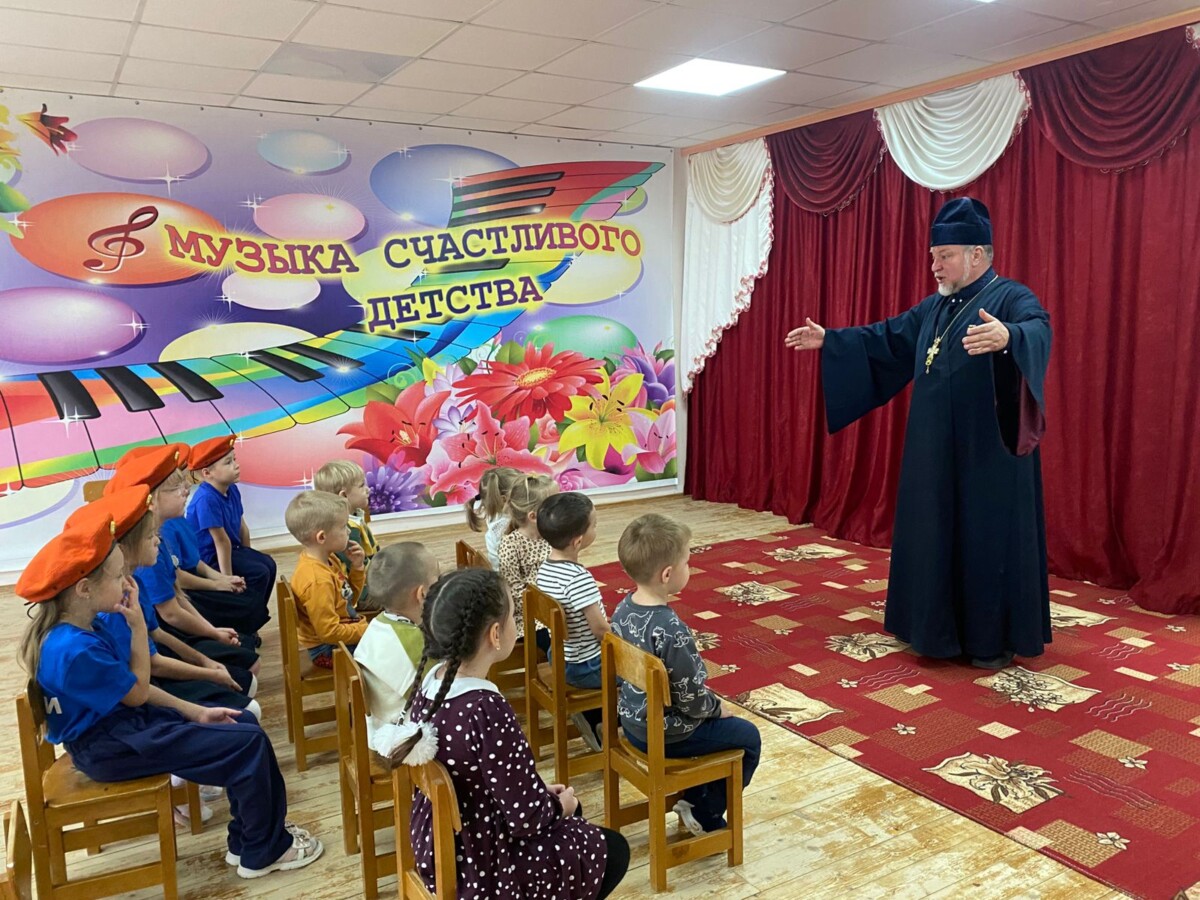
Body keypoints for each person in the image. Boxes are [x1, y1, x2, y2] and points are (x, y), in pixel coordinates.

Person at [785, 197, 1052, 669]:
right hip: (933, 452)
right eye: (934, 256)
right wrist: (832, 340)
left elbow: (1039, 327)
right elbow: (888, 338)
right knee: (935, 531)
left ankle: (988, 640)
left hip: (987, 455)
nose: (935, 266)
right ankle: (932, 631)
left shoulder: (1010, 296)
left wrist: (1010, 337)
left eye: (943, 256)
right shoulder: (936, 306)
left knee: (984, 540)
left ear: (976, 254)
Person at [17, 508, 323, 879]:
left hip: (123, 730)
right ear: (84, 589)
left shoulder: (84, 629)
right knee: (247, 744)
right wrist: (136, 627)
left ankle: (247, 839)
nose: (127, 582)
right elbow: (137, 692)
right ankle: (263, 851)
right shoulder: (74, 649)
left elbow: (135, 692)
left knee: (244, 726)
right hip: (110, 746)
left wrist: (196, 712)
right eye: (118, 577)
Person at [386, 568, 629, 899]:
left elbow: (482, 779)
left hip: (439, 847)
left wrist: (541, 793)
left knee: (577, 825)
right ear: (496, 634)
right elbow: (527, 820)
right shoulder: (485, 709)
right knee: (612, 849)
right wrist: (561, 806)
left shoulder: (431, 684)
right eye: (514, 615)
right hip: (485, 865)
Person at [610, 514, 761, 837]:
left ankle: (694, 796)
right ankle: (705, 812)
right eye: (687, 563)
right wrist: (717, 708)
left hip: (631, 722)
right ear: (667, 574)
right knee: (748, 737)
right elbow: (691, 700)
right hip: (665, 735)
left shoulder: (622, 608)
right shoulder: (671, 630)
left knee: (722, 732)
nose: (689, 568)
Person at [66, 488, 259, 719]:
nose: (158, 540)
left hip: (152, 677)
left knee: (246, 682)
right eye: (151, 536)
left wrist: (205, 660)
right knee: (247, 710)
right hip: (147, 691)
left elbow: (157, 632)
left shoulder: (132, 583)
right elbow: (146, 674)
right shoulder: (115, 607)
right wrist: (207, 672)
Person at [104, 444, 261, 675]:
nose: (187, 488)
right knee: (246, 660)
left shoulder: (159, 534)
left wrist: (212, 628)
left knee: (246, 623)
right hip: (163, 634)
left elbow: (178, 586)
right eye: (177, 485)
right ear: (151, 500)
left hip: (168, 624)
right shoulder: (148, 551)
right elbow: (169, 614)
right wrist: (210, 635)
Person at [535, 491, 607, 750]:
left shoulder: (545, 569)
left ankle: (592, 716)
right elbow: (600, 631)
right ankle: (611, 725)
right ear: (578, 541)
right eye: (594, 525)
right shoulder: (578, 579)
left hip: (560, 657)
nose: (596, 528)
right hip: (587, 666)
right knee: (645, 670)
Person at [352, 542, 440, 755]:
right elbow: (439, 691)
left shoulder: (379, 623)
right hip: (403, 740)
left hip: (380, 726)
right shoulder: (412, 641)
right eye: (437, 580)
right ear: (421, 594)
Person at [185, 435, 277, 610]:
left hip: (230, 550)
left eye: (234, 459)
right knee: (259, 572)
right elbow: (221, 541)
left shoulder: (232, 489)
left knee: (268, 565)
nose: (236, 465)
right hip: (209, 558)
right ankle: (242, 612)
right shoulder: (206, 499)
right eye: (228, 462)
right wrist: (227, 580)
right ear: (207, 473)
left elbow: (243, 528)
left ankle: (255, 613)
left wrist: (249, 554)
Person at [285, 490, 367, 669]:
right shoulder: (318, 581)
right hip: (328, 649)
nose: (348, 531)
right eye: (343, 526)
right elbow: (329, 633)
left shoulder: (328, 559)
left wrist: (357, 567)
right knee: (390, 651)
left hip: (341, 634)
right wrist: (366, 630)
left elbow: (348, 600)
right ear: (322, 537)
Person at [314, 460, 380, 610]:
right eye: (361, 486)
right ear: (344, 496)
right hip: (362, 594)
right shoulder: (346, 531)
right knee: (404, 592)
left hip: (369, 581)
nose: (368, 489)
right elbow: (359, 569)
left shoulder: (354, 517)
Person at [496, 473, 558, 634]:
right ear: (533, 516)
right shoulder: (511, 544)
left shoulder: (552, 536)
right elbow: (514, 591)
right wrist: (546, 606)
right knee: (564, 636)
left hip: (555, 605)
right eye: (554, 508)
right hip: (529, 617)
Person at [465, 466, 522, 568]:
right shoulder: (504, 526)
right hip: (505, 573)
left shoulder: (495, 514)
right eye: (524, 493)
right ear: (504, 500)